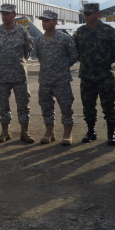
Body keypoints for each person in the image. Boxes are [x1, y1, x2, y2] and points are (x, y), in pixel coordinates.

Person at [74, 3, 115, 145]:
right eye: (85, 13)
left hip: (104, 75)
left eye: (89, 13)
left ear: (97, 14)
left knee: (109, 106)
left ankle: (111, 133)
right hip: (87, 76)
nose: (86, 16)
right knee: (88, 106)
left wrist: (104, 62)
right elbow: (76, 51)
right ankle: (91, 132)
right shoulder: (80, 32)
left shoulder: (108, 31)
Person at [0, 4, 34, 144]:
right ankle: (5, 131)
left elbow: (27, 50)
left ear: (14, 14)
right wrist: (3, 64)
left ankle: (24, 132)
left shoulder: (22, 32)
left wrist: (20, 62)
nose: (4, 16)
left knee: (23, 104)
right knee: (3, 105)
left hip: (19, 74)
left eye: (7, 14)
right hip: (2, 75)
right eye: (2, 13)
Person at [35, 10, 78, 145]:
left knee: (66, 107)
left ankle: (67, 133)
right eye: (43, 20)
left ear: (55, 22)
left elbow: (74, 56)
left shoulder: (64, 38)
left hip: (61, 79)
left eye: (47, 20)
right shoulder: (40, 40)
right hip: (45, 79)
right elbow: (39, 56)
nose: (44, 23)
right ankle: (49, 132)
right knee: (46, 107)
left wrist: (62, 67)